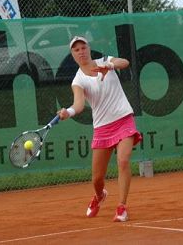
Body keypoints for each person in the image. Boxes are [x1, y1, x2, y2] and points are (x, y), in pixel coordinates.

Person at [57, 36, 142, 222]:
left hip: (123, 118)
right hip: (102, 128)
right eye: (76, 49)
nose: (81, 51)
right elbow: (78, 105)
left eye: (83, 47)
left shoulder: (105, 61)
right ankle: (99, 196)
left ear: (88, 48)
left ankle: (121, 207)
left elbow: (125, 62)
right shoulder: (77, 80)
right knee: (97, 179)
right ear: (73, 55)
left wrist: (109, 66)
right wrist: (68, 113)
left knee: (123, 160)